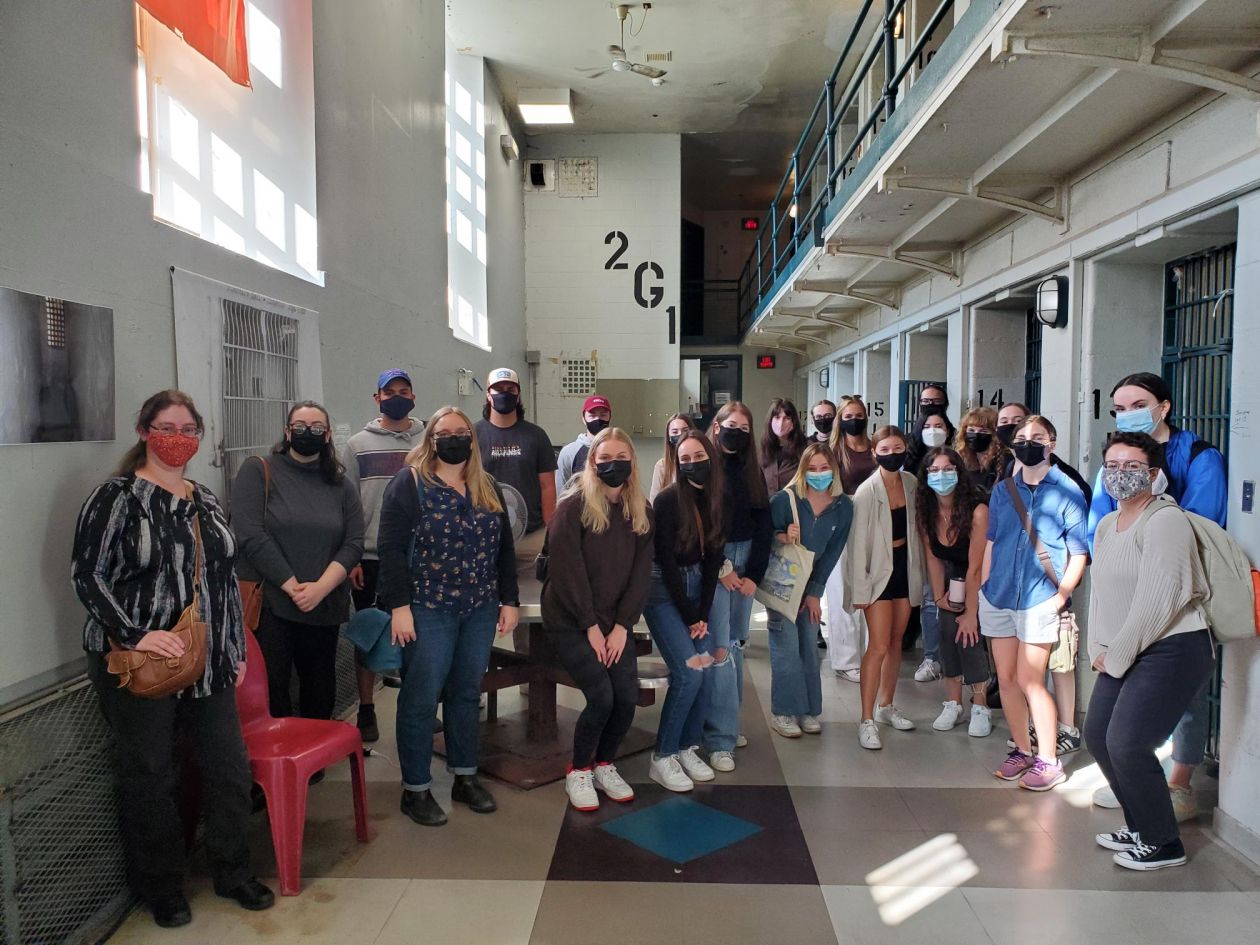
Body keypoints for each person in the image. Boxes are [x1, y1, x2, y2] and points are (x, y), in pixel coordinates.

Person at [72, 390, 274, 928]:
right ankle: (161, 886)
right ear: (143, 431)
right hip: (138, 662)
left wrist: (234, 650)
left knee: (229, 769)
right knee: (150, 775)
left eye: (189, 429)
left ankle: (232, 870)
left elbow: (222, 581)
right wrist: (136, 633)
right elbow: (87, 576)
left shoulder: (203, 498)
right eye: (166, 427)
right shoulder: (115, 498)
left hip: (208, 659)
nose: (178, 438)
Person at [1086, 372, 1227, 821]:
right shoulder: (1114, 463)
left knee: (1180, 696)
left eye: (1137, 404)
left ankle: (1179, 782)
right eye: (1119, 408)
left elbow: (1201, 526)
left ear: (1163, 407)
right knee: (1119, 712)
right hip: (1125, 594)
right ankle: (1136, 780)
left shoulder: (1198, 457)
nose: (1128, 414)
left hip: (1176, 598)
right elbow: (1102, 523)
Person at [377, 407, 520, 827]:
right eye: (444, 433)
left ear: (472, 440)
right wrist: (399, 608)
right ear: (431, 439)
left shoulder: (487, 485)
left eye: (461, 433)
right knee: (421, 696)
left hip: (479, 608)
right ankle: (416, 788)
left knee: (465, 694)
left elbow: (504, 549)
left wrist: (508, 599)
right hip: (427, 607)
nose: (454, 439)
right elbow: (389, 549)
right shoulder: (410, 484)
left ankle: (465, 775)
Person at [543, 428, 654, 811]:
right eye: (604, 459)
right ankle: (580, 770)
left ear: (632, 463)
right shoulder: (573, 506)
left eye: (621, 457)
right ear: (592, 463)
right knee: (601, 697)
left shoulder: (641, 509)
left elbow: (641, 574)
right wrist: (591, 626)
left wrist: (623, 626)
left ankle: (605, 763)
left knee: (626, 697)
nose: (613, 465)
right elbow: (565, 569)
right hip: (572, 617)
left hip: (615, 621)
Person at [233, 401, 364, 722]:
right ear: (287, 431)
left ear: (328, 434)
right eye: (300, 427)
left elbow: (353, 543)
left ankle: (314, 760)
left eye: (317, 428)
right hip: (272, 604)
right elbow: (251, 534)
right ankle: (278, 762)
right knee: (272, 686)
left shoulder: (341, 485)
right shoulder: (257, 471)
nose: (308, 433)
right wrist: (292, 586)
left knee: (319, 687)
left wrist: (320, 588)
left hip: (325, 604)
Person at [982, 415, 1089, 791]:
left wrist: (1061, 595)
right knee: (1007, 679)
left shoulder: (1067, 492)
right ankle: (1023, 751)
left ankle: (1048, 759)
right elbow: (992, 542)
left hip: (1040, 598)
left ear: (1052, 444)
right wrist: (984, 586)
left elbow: (1078, 552)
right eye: (1022, 438)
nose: (1029, 444)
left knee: (1031, 679)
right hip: (999, 595)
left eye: (1038, 437)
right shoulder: (1002, 491)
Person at [341, 368, 425, 742]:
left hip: (421, 556)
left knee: (420, 636)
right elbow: (348, 505)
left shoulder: (428, 439)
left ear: (413, 396)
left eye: (403, 390)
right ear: (376, 399)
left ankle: (419, 703)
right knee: (370, 633)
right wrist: (353, 557)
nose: (396, 396)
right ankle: (367, 708)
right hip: (372, 557)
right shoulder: (357, 445)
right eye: (389, 391)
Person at [643, 432, 726, 792]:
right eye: (685, 457)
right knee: (689, 673)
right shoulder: (666, 501)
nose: (693, 462)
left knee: (707, 670)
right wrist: (690, 615)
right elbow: (665, 561)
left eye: (698, 455)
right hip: (663, 590)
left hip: (697, 592)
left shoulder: (719, 499)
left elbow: (713, 561)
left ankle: (687, 746)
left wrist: (703, 613)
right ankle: (662, 756)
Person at [846, 427, 927, 750]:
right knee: (877, 645)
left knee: (896, 643)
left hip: (905, 571)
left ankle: (886, 705)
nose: (892, 453)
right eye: (886, 448)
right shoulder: (867, 491)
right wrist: (861, 591)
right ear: (875, 453)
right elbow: (857, 547)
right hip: (878, 575)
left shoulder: (911, 484)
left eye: (898, 448)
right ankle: (865, 719)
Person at [767, 444, 853, 738]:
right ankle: (784, 711)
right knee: (786, 646)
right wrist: (781, 535)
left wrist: (816, 592)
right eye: (812, 469)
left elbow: (832, 553)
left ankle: (808, 709)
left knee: (807, 643)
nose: (819, 474)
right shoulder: (785, 500)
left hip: (811, 585)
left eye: (824, 468)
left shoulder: (843, 507)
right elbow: (764, 536)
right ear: (803, 471)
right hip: (784, 583)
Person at [702, 402, 772, 767]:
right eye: (732, 425)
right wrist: (723, 567)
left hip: (745, 565)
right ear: (716, 427)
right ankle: (719, 739)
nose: (737, 433)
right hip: (716, 563)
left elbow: (763, 521)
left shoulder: (751, 470)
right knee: (720, 648)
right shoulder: (705, 466)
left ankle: (726, 721)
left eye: (745, 428)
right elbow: (702, 523)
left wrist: (753, 576)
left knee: (736, 645)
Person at [917, 448, 993, 737]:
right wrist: (939, 599)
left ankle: (980, 703)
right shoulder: (927, 511)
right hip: (952, 578)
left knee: (968, 634)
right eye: (934, 471)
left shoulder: (977, 510)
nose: (941, 476)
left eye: (947, 469)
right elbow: (933, 558)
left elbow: (976, 567)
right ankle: (952, 702)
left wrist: (972, 612)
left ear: (959, 473)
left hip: (981, 577)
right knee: (947, 629)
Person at [825, 395, 878, 683]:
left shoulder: (874, 448)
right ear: (840, 420)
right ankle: (845, 660)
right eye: (848, 415)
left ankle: (870, 654)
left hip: (872, 526)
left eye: (859, 415)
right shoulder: (833, 450)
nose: (854, 420)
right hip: (841, 525)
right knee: (841, 593)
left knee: (868, 590)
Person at [475, 367, 557, 534]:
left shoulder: (537, 435)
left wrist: (550, 530)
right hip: (486, 533)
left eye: (510, 389)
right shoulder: (473, 435)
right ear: (488, 395)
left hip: (531, 533)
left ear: (518, 394)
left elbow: (547, 486)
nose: (504, 393)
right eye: (498, 389)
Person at [907, 410, 955, 683]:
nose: (934, 430)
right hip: (929, 540)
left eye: (939, 425)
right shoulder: (914, 461)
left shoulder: (956, 458)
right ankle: (931, 656)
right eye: (928, 425)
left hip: (958, 543)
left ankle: (955, 659)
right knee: (930, 599)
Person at [998, 402, 1092, 501]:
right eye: (1004, 422)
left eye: (1018, 420)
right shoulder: (1008, 467)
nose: (1010, 425)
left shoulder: (1062, 473)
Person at [555, 394, 613, 491]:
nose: (597, 419)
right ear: (583, 418)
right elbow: (562, 490)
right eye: (592, 415)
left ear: (610, 417)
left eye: (603, 415)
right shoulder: (569, 452)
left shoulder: (617, 449)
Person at [759, 397, 808, 493]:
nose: (781, 423)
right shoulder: (763, 450)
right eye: (777, 417)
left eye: (787, 418)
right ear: (770, 421)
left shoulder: (806, 449)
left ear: (794, 422)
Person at [955, 406, 1008, 493]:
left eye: (983, 431)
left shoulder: (1004, 460)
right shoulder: (960, 459)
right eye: (971, 430)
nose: (976, 435)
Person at [650, 413, 694, 501]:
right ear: (669, 437)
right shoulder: (661, 466)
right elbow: (653, 502)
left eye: (685, 430)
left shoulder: (697, 463)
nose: (681, 435)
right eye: (675, 432)